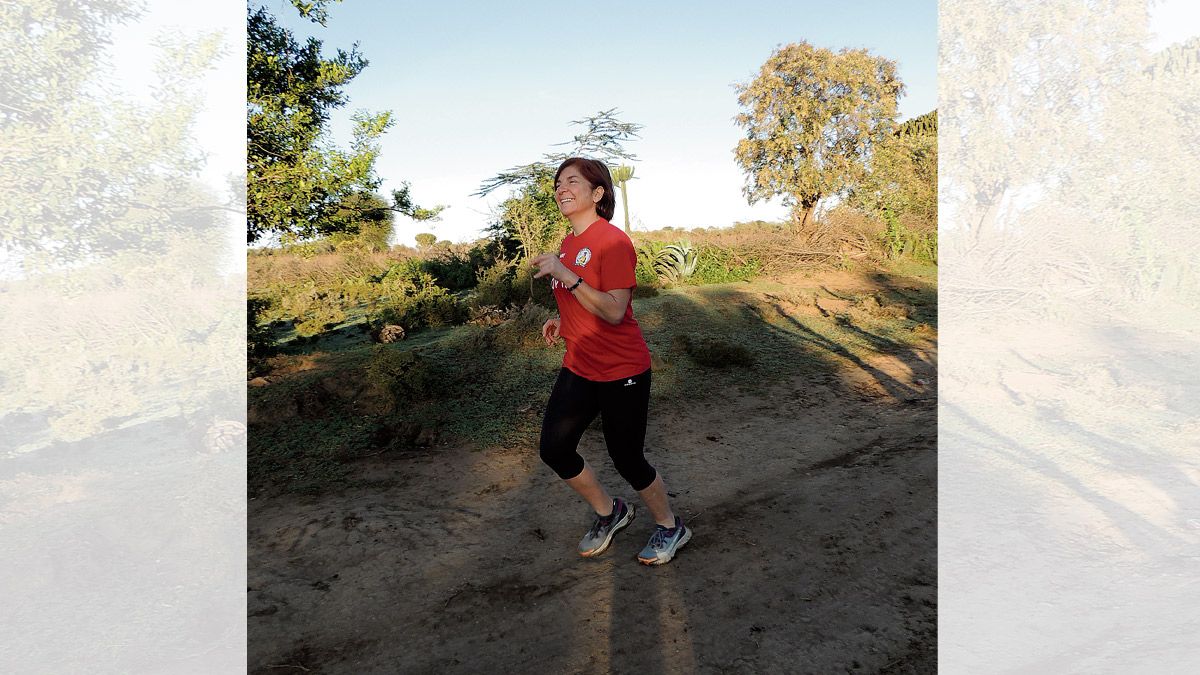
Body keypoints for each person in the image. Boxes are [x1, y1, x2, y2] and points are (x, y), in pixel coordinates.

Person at [530, 157, 691, 566]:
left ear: (597, 193)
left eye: (571, 181)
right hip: (580, 365)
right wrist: (560, 317)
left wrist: (567, 276)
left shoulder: (613, 242)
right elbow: (582, 298)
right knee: (555, 448)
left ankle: (671, 526)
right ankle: (610, 511)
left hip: (623, 371)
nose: (561, 188)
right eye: (558, 183)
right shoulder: (569, 242)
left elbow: (616, 310)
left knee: (627, 457)